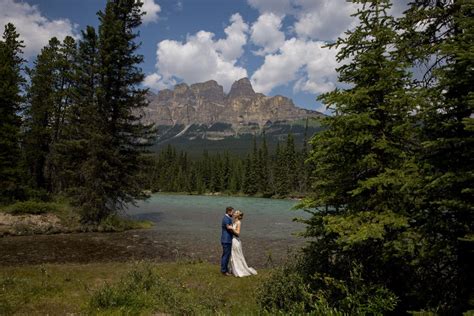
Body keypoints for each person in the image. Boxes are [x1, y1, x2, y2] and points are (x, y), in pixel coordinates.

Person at [228, 210, 257, 277]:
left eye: (235, 213)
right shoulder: (234, 221)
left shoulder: (238, 222)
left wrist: (232, 228)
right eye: (234, 212)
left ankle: (240, 270)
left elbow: (238, 233)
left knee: (237, 255)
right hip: (233, 240)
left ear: (238, 215)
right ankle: (234, 269)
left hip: (236, 240)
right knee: (233, 255)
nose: (234, 213)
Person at [221, 206, 235, 276]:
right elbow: (228, 227)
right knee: (226, 255)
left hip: (227, 239)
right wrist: (236, 232)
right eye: (232, 212)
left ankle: (225, 269)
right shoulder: (226, 218)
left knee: (226, 255)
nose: (233, 213)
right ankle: (224, 271)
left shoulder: (227, 218)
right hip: (226, 240)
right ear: (229, 212)